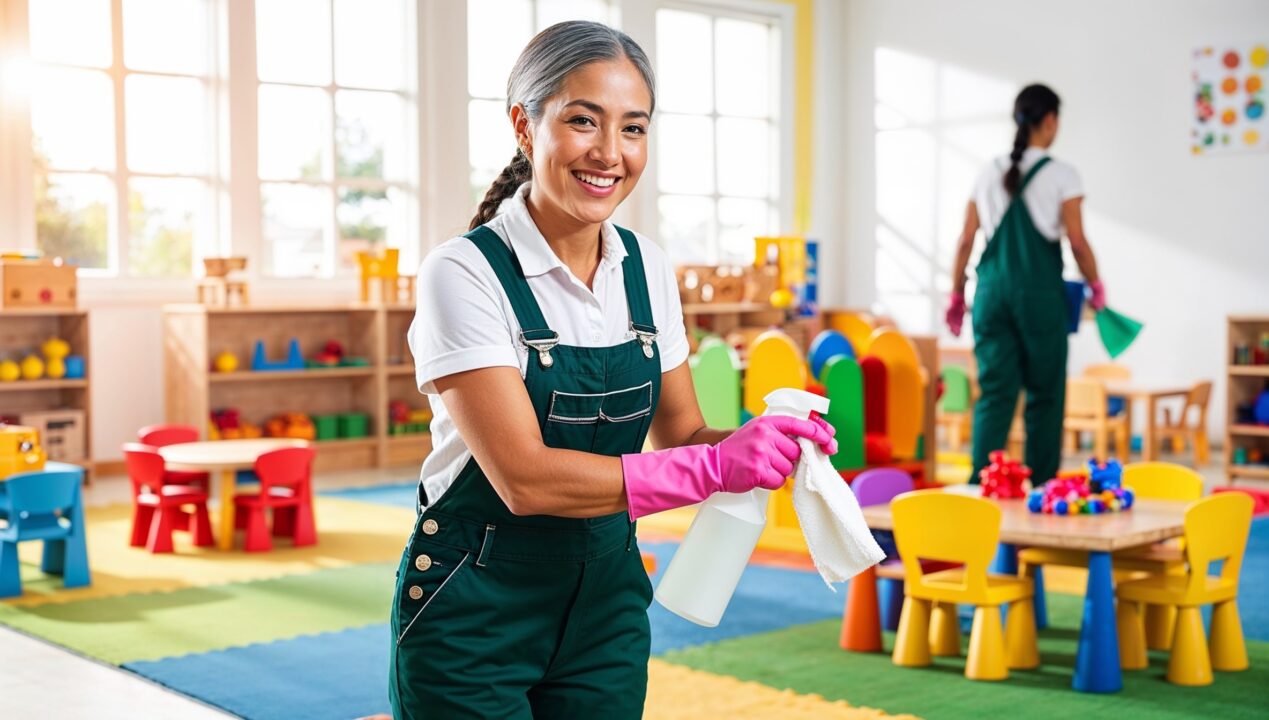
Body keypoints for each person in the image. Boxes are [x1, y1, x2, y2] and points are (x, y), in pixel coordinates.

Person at [391, 21, 836, 719]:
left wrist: (762, 442)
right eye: (581, 121)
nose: (609, 154)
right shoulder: (463, 272)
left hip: (606, 611)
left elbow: (682, 431)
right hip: (471, 612)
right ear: (522, 124)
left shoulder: (647, 269)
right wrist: (717, 470)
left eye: (633, 129)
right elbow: (523, 479)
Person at [945, 83, 1104, 486]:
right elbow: (1078, 241)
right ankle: (1042, 488)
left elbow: (966, 240)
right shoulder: (1062, 174)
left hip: (991, 294)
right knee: (1045, 397)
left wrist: (955, 293)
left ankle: (981, 486)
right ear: (1050, 120)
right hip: (1039, 296)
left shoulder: (986, 172)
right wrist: (1095, 283)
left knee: (995, 395)